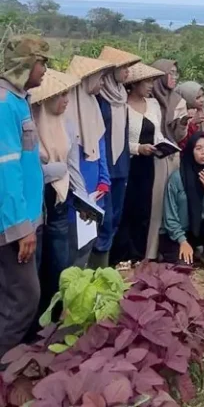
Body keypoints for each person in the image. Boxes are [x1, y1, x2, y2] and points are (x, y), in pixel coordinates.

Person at [0, 35, 48, 358]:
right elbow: (6, 170)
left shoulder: (20, 99)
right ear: (25, 64)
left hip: (30, 217)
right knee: (25, 299)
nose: (46, 69)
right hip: (15, 223)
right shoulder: (4, 104)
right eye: (42, 62)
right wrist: (22, 227)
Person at [29, 69, 87, 325]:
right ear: (47, 99)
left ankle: (54, 321)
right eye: (61, 95)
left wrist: (85, 199)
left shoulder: (67, 124)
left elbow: (72, 166)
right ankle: (32, 327)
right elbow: (24, 171)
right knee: (36, 271)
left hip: (60, 202)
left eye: (67, 94)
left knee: (60, 266)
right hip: (36, 206)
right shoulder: (30, 126)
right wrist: (53, 170)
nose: (66, 100)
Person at [111, 63, 169, 263]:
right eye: (147, 81)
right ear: (134, 84)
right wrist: (138, 148)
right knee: (127, 207)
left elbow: (158, 132)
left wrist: (163, 146)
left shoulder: (153, 104)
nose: (151, 85)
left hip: (149, 163)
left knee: (144, 209)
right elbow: (117, 139)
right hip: (129, 163)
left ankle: (139, 254)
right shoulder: (122, 106)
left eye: (152, 81)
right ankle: (121, 255)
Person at [90, 46, 141, 268]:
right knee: (105, 218)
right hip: (105, 168)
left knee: (115, 218)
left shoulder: (121, 96)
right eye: (124, 68)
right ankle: (97, 266)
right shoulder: (100, 99)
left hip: (121, 166)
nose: (127, 72)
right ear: (111, 71)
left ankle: (107, 264)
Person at [65, 56, 113, 265]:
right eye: (100, 78)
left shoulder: (94, 104)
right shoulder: (66, 107)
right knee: (72, 235)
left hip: (95, 182)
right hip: (76, 182)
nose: (102, 83)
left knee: (89, 232)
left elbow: (100, 145)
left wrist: (104, 179)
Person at [160, 132, 204, 265]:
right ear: (191, 151)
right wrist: (182, 241)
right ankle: (189, 251)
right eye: (198, 148)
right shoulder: (177, 178)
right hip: (179, 233)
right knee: (183, 264)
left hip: (199, 229)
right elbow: (170, 217)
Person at [151, 59, 189, 145]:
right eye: (171, 73)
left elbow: (178, 137)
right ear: (159, 74)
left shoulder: (179, 102)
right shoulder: (145, 98)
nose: (174, 77)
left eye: (176, 74)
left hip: (169, 154)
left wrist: (182, 124)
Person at [177, 81, 204, 149]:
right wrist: (192, 124)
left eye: (203, 95)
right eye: (197, 97)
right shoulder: (178, 114)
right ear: (187, 98)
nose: (202, 100)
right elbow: (183, 144)